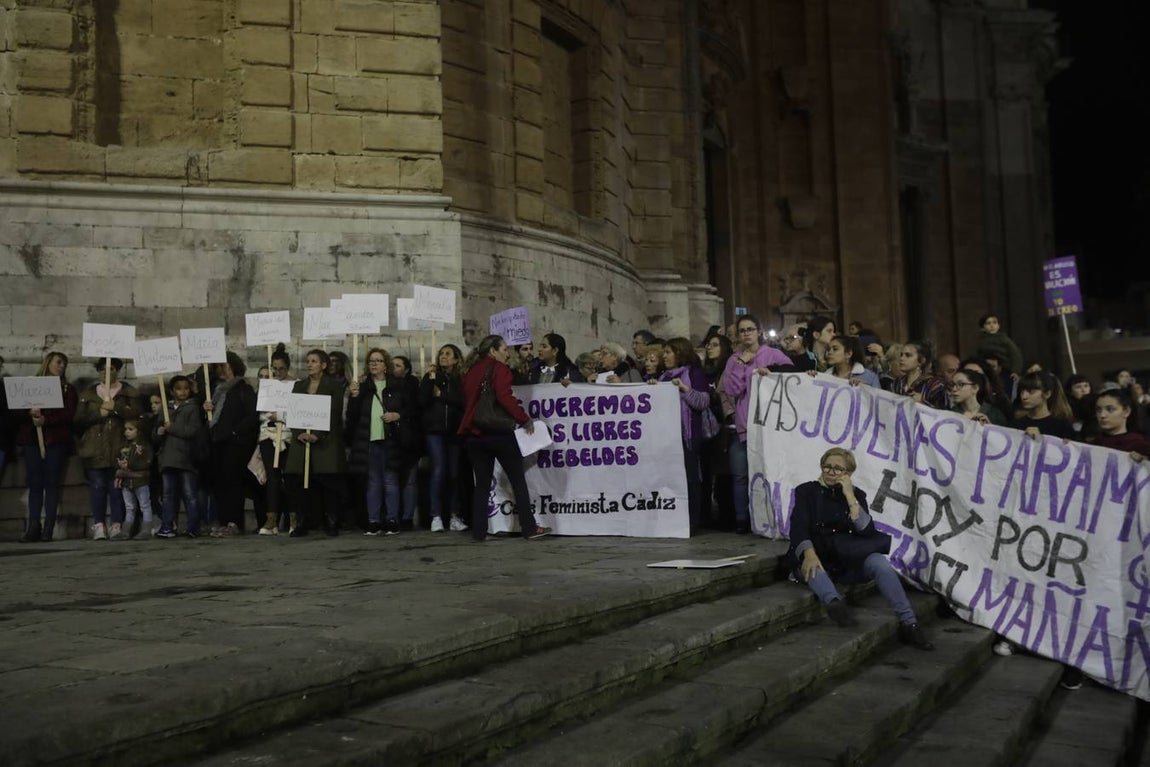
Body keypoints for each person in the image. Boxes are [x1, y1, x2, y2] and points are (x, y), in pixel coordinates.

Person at [786, 448, 934, 649]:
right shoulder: (806, 491)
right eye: (827, 466)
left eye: (838, 469)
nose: (831, 471)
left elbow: (867, 532)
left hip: (845, 560)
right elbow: (798, 526)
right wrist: (808, 553)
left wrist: (849, 496)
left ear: (848, 473)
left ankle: (909, 623)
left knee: (879, 562)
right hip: (816, 556)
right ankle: (835, 605)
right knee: (813, 567)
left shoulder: (856, 496)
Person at [459, 335, 550, 541]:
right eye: (504, 349)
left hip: (475, 434)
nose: (507, 353)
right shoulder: (499, 369)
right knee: (518, 479)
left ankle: (479, 531)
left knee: (481, 484)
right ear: (493, 350)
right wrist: (524, 419)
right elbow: (505, 397)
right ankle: (529, 527)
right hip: (498, 433)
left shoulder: (470, 371)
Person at [722, 314, 793, 533]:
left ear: (758, 332)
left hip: (770, 427)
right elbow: (731, 390)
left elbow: (792, 377)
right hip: (744, 427)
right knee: (741, 476)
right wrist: (742, 364)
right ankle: (743, 520)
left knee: (770, 473)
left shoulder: (773, 354)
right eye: (742, 331)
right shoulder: (734, 360)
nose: (746, 334)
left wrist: (772, 372)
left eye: (750, 329)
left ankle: (773, 517)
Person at [349, 348, 419, 536]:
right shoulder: (363, 387)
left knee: (390, 481)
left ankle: (392, 519)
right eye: (371, 361)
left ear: (385, 365)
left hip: (391, 440)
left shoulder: (398, 386)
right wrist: (354, 397)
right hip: (369, 440)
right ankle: (373, 521)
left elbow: (411, 410)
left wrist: (397, 415)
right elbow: (353, 417)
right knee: (373, 482)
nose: (374, 364)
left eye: (378, 361)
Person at [75, 358, 141, 540]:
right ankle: (99, 525)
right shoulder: (88, 394)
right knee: (97, 487)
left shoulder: (128, 393)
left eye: (111, 368)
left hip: (119, 447)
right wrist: (99, 414)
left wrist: (117, 408)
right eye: (103, 369)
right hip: (94, 448)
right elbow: (78, 420)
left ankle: (117, 524)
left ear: (117, 371)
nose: (107, 372)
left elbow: (137, 415)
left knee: (116, 488)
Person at [283, 349, 348, 536]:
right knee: (302, 482)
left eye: (314, 361)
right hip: (302, 441)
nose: (309, 364)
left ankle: (331, 520)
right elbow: (294, 413)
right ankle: (304, 520)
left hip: (325, 441)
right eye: (308, 361)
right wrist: (299, 433)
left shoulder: (334, 386)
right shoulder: (299, 386)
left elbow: (334, 413)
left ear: (324, 365)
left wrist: (318, 434)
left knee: (327, 481)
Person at [15, 351, 77, 542]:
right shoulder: (31, 385)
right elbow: (17, 410)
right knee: (35, 483)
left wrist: (46, 420)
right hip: (32, 441)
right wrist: (30, 413)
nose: (61, 366)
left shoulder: (67, 389)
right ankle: (34, 525)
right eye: (58, 362)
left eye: (64, 364)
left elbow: (68, 415)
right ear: (48, 363)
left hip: (55, 441)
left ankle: (48, 527)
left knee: (51, 483)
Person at [654, 338, 711, 529]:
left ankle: (693, 519)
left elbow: (702, 402)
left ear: (680, 353)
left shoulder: (694, 374)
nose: (665, 356)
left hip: (688, 435)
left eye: (669, 352)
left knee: (690, 478)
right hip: (667, 436)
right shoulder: (663, 377)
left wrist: (684, 389)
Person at [203, 352, 259, 537]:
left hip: (236, 444)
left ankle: (235, 521)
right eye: (219, 366)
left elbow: (252, 416)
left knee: (234, 483)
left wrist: (235, 432)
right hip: (218, 442)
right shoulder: (217, 391)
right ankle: (224, 520)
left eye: (224, 365)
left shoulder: (243, 389)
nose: (221, 370)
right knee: (220, 483)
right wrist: (207, 410)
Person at [420, 344, 467, 532]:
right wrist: (431, 382)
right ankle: (436, 515)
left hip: (454, 431)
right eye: (441, 354)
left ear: (456, 359)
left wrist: (443, 395)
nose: (443, 357)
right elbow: (422, 401)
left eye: (448, 354)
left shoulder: (460, 379)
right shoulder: (431, 378)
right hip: (435, 431)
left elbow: (462, 401)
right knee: (438, 471)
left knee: (454, 473)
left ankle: (455, 515)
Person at [154, 375, 206, 538]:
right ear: (171, 391)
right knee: (168, 495)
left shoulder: (192, 408)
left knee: (189, 494)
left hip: (185, 457)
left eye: (186, 388)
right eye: (178, 388)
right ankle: (167, 526)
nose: (182, 392)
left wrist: (172, 428)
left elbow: (192, 431)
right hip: (168, 458)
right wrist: (159, 432)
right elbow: (155, 433)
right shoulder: (166, 409)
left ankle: (193, 526)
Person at [254, 344, 294, 535]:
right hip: (268, 436)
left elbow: (298, 412)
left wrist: (280, 415)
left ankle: (294, 517)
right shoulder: (267, 386)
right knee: (272, 477)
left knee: (291, 477)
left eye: (281, 369)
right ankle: (272, 519)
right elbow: (262, 414)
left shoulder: (296, 385)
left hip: (288, 436)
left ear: (288, 367)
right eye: (274, 368)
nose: (278, 372)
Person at [701, 331, 735, 530]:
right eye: (708, 344)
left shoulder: (727, 369)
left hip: (725, 426)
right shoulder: (704, 371)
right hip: (707, 428)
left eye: (715, 344)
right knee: (709, 472)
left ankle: (728, 516)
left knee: (726, 474)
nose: (709, 348)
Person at [389, 355, 424, 529]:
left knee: (410, 479)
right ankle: (393, 515)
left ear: (407, 369)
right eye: (392, 365)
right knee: (392, 478)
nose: (394, 368)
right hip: (391, 437)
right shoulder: (386, 386)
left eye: (398, 365)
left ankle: (407, 516)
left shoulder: (413, 387)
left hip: (410, 438)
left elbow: (415, 409)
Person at [115, 419, 154, 539]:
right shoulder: (124, 446)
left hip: (140, 480)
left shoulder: (144, 446)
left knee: (144, 505)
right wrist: (120, 466)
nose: (127, 432)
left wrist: (130, 465)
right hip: (127, 482)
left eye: (131, 429)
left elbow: (147, 463)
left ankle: (147, 529)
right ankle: (126, 531)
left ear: (139, 431)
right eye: (126, 429)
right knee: (130, 507)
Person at [1012, 370, 1075, 441]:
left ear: (1047, 394)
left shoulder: (1062, 426)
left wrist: (1040, 440)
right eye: (1022, 391)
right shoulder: (1015, 425)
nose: (1024, 397)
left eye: (1031, 392)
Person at [1089, 388, 1150, 459]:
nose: (1102, 415)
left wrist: (1145, 463)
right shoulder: (1093, 444)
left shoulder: (1140, 446)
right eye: (1098, 410)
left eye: (1110, 409)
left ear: (1126, 411)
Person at [889, 342, 948, 409]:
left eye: (908, 355)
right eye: (901, 355)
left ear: (921, 360)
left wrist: (923, 403)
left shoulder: (935, 385)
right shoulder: (896, 383)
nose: (902, 358)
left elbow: (944, 413)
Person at [974, 314, 1024, 382]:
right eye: (988, 323)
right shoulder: (981, 342)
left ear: (998, 326)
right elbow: (977, 357)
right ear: (982, 328)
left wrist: (1015, 371)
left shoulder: (1004, 339)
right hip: (987, 371)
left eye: (994, 323)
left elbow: (1015, 355)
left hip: (1005, 370)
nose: (992, 326)